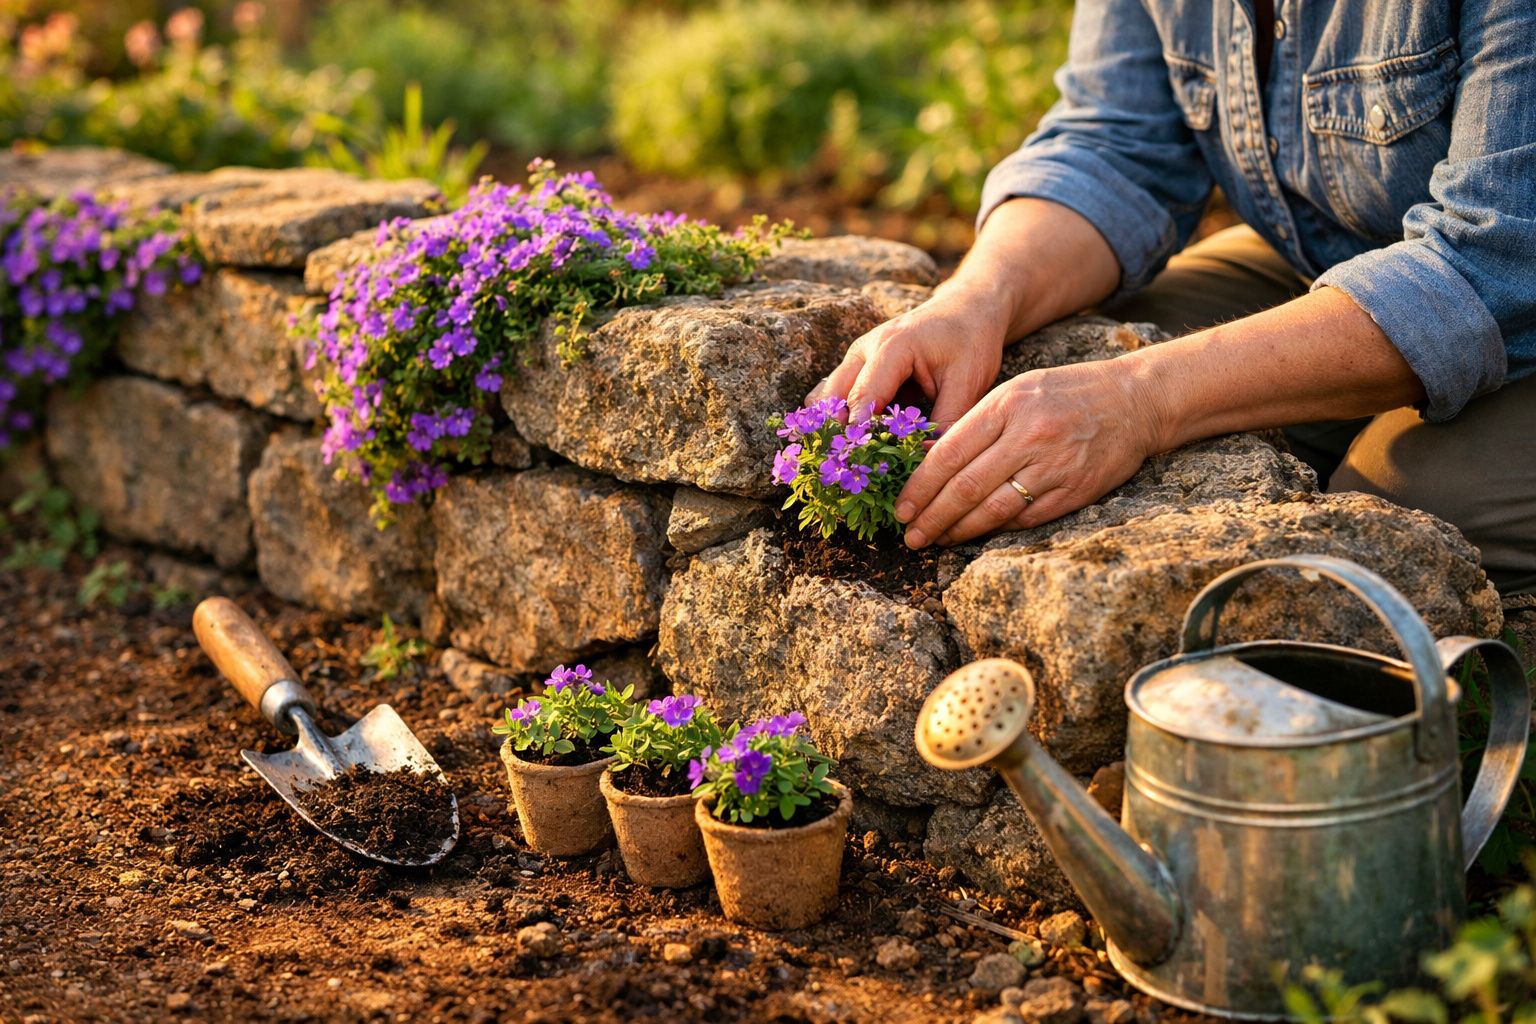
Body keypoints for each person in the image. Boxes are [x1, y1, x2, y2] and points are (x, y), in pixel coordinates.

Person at [808, 0, 1536, 595]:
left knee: (1392, 518)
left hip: (1511, 293)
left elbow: (1493, 261)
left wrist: (1140, 401)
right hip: (1332, 250)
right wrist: (974, 299)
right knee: (1073, 348)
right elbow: (1114, 145)